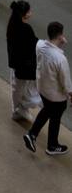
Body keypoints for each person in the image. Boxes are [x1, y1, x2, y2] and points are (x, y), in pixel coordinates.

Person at [23, 22, 72, 157]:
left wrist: (60, 43)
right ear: (60, 35)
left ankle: (32, 134)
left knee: (47, 110)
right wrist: (70, 95)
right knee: (55, 117)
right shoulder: (61, 59)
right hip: (56, 95)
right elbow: (66, 82)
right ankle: (52, 145)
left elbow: (50, 47)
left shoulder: (40, 46)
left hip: (42, 88)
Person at [7, 0, 40, 124]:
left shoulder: (12, 25)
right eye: (29, 11)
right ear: (24, 14)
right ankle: (18, 110)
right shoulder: (25, 28)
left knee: (17, 88)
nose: (31, 12)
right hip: (24, 66)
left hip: (16, 64)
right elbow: (34, 44)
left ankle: (18, 109)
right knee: (22, 89)